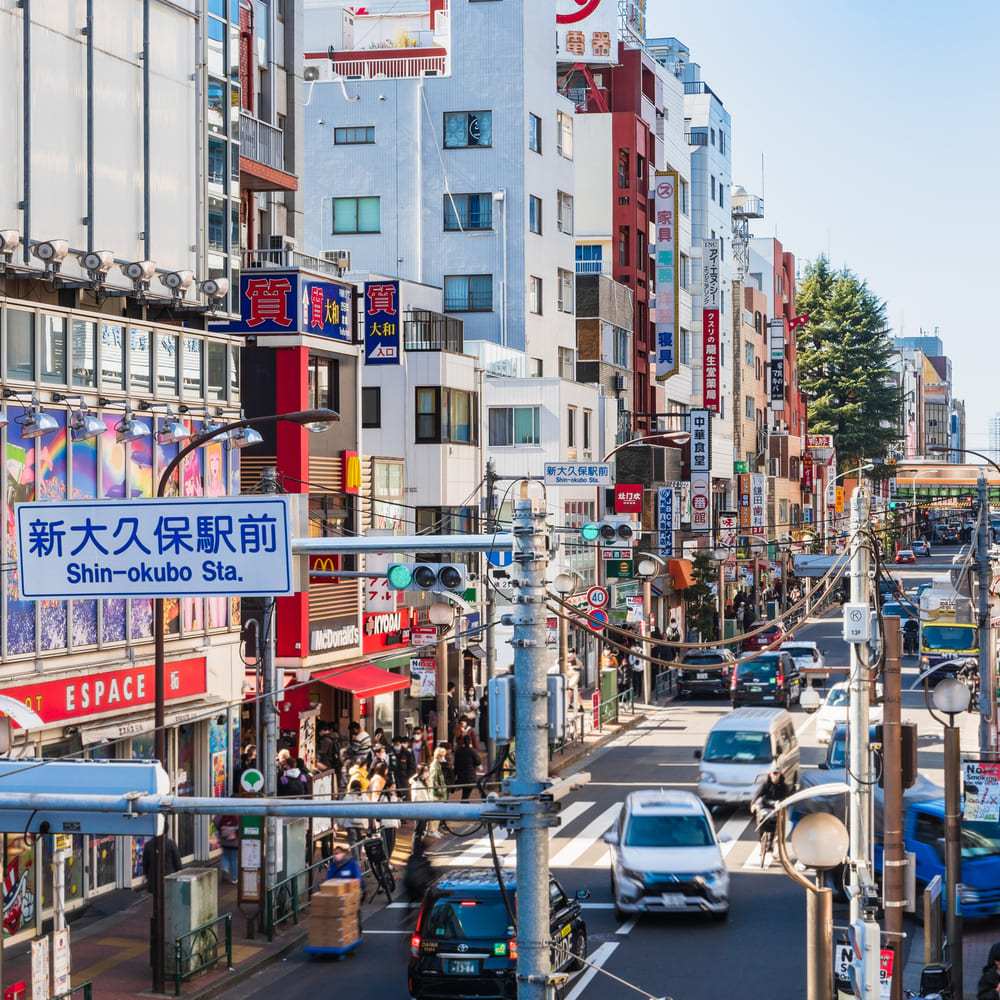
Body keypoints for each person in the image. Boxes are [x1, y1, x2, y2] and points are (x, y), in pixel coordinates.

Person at [750, 768, 791, 838]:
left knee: (776, 823)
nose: (775, 775)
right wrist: (753, 804)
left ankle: (772, 839)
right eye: (774, 773)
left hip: (777, 807)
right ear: (770, 774)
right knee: (762, 821)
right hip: (765, 806)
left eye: (777, 773)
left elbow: (787, 796)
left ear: (779, 774)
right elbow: (758, 794)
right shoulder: (765, 784)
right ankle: (761, 836)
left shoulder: (783, 786)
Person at [409, 763, 434, 844]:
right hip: (420, 810)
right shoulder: (416, 784)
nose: (427, 772)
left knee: (423, 830)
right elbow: (416, 798)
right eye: (425, 771)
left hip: (426, 808)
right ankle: (415, 850)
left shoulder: (425, 781)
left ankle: (419, 849)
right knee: (418, 831)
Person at [342, 779, 370, 846]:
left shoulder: (348, 797)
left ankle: (356, 856)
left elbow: (343, 809)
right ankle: (359, 856)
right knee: (359, 841)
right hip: (361, 823)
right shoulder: (365, 797)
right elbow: (369, 808)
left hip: (350, 823)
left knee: (352, 841)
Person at [454, 734, 481, 801]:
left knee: (465, 794)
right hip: (470, 777)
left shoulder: (458, 751)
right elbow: (478, 762)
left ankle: (464, 804)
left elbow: (455, 764)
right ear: (470, 742)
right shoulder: (472, 751)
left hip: (460, 776)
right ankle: (463, 806)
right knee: (466, 795)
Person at [214, 814, 240, 884]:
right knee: (235, 859)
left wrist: (220, 831)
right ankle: (234, 879)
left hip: (224, 840)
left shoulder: (222, 812)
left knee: (225, 856)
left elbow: (216, 822)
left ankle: (225, 868)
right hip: (235, 841)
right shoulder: (238, 812)